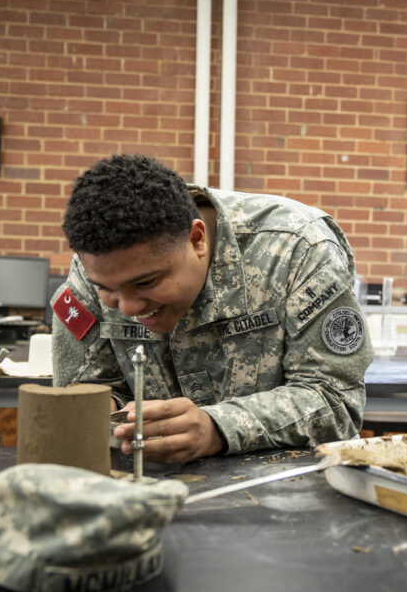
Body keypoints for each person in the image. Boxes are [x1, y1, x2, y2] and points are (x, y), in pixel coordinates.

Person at [52, 154, 372, 463]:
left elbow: (336, 400)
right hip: (150, 485)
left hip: (286, 487)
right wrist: (98, 411)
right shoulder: (93, 268)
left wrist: (216, 428)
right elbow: (85, 394)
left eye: (147, 283)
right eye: (107, 290)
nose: (129, 307)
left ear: (197, 239)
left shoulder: (298, 248)